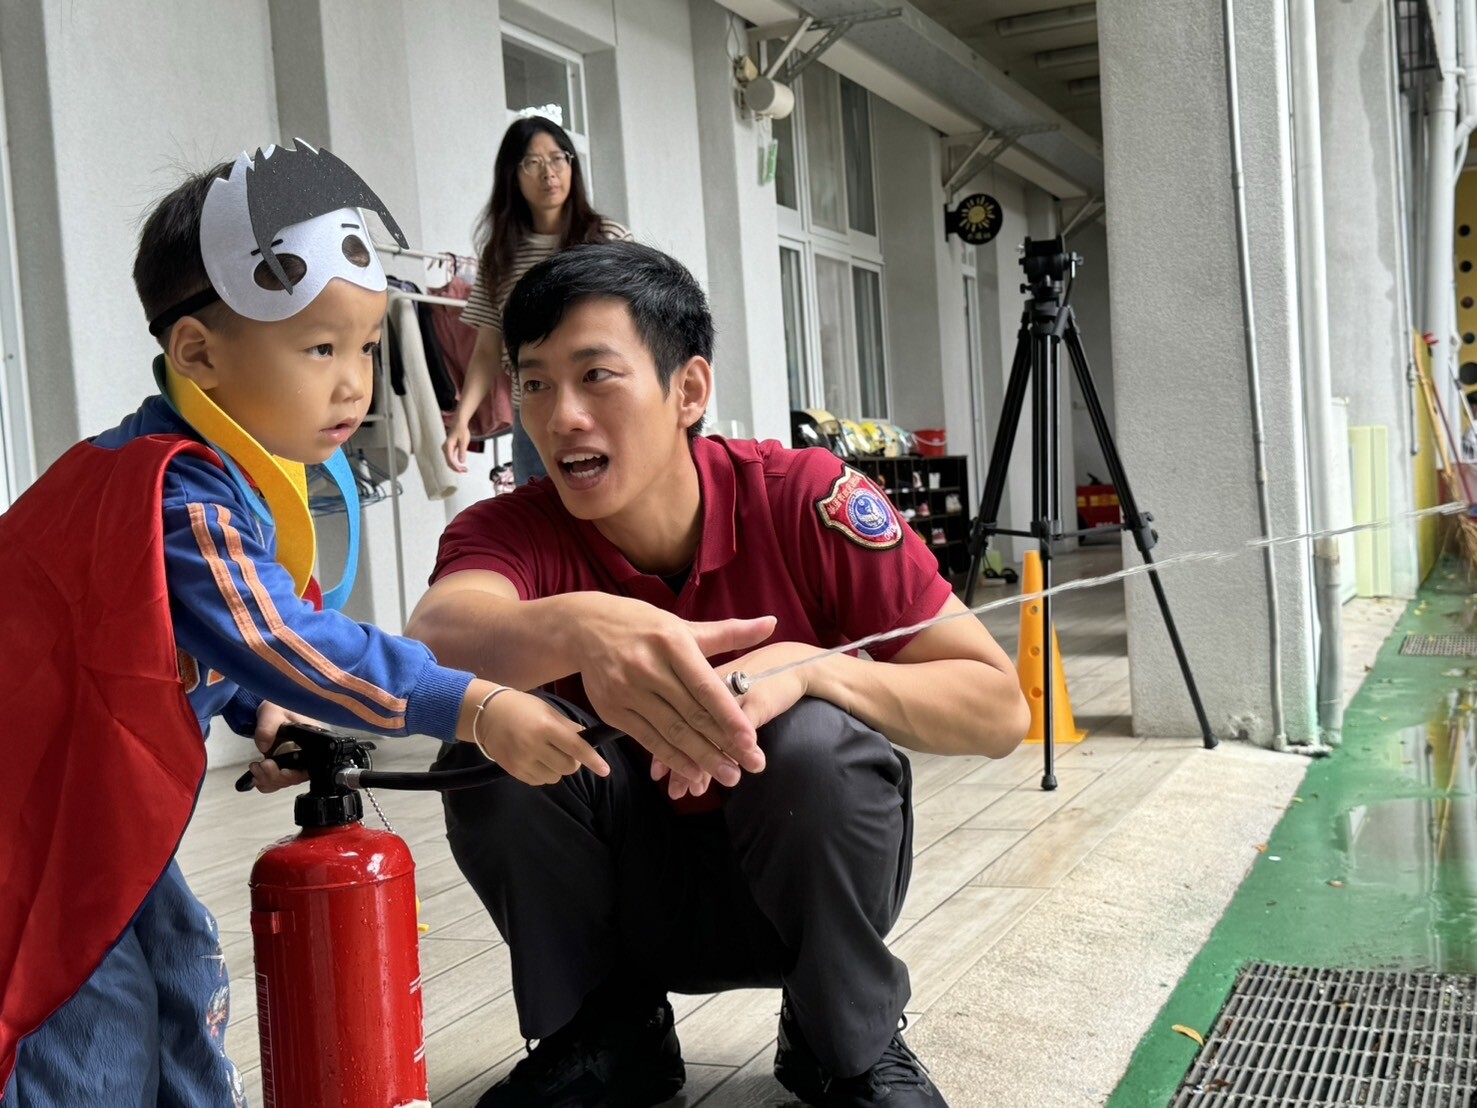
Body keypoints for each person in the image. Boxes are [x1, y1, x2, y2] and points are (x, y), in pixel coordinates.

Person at [0, 141, 607, 1107]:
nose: (354, 382)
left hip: (97, 814)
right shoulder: (176, 491)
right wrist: (474, 705)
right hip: (37, 828)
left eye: (366, 347)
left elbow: (211, 636)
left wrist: (263, 712)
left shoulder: (231, 475)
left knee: (179, 970)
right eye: (319, 348)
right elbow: (282, 637)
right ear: (197, 353)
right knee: (87, 1018)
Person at [407, 241, 1031, 1108]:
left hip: (792, 870)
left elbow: (998, 708)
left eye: (596, 376)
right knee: (494, 740)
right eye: (537, 383)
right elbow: (436, 634)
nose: (560, 418)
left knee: (815, 742)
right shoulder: (511, 529)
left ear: (689, 390)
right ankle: (605, 1032)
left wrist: (815, 671)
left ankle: (840, 1040)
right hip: (623, 891)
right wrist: (588, 629)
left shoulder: (802, 498)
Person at [442, 115, 631, 485]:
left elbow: (635, 330)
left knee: (610, 520)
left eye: (558, 158)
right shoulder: (500, 257)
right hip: (533, 419)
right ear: (512, 175)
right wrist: (461, 420)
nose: (549, 173)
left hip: (602, 407)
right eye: (533, 162)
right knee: (543, 529)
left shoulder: (607, 241)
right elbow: (486, 350)